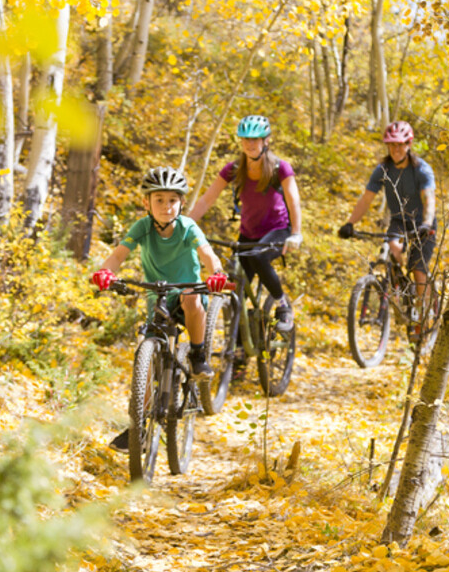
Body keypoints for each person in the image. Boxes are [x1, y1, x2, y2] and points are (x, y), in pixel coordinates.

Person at [91, 166, 228, 384]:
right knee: (144, 363)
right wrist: (105, 273)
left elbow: (208, 254)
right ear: (146, 203)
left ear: (182, 203)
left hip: (188, 293)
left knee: (191, 297)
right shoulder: (142, 227)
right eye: (159, 200)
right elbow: (118, 256)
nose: (166, 206)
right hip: (159, 297)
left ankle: (197, 355)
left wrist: (217, 273)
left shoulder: (187, 227)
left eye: (173, 200)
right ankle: (141, 414)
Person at [188, 114, 303, 335]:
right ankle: (238, 356)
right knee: (235, 293)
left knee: (259, 256)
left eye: (255, 139)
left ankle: (283, 305)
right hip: (248, 234)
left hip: (278, 231)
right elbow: (206, 199)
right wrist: (186, 225)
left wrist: (296, 233)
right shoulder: (234, 168)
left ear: (265, 140)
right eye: (245, 139)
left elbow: (293, 201)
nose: (250, 144)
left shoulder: (281, 168)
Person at [337, 120, 436, 321]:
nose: (396, 149)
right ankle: (399, 291)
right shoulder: (383, 170)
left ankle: (425, 313)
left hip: (423, 223)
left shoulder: (421, 170)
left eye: (400, 145)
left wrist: (426, 223)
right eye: (392, 145)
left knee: (418, 268)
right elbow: (366, 199)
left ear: (408, 145)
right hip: (399, 221)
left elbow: (429, 199)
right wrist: (350, 223)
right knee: (393, 247)